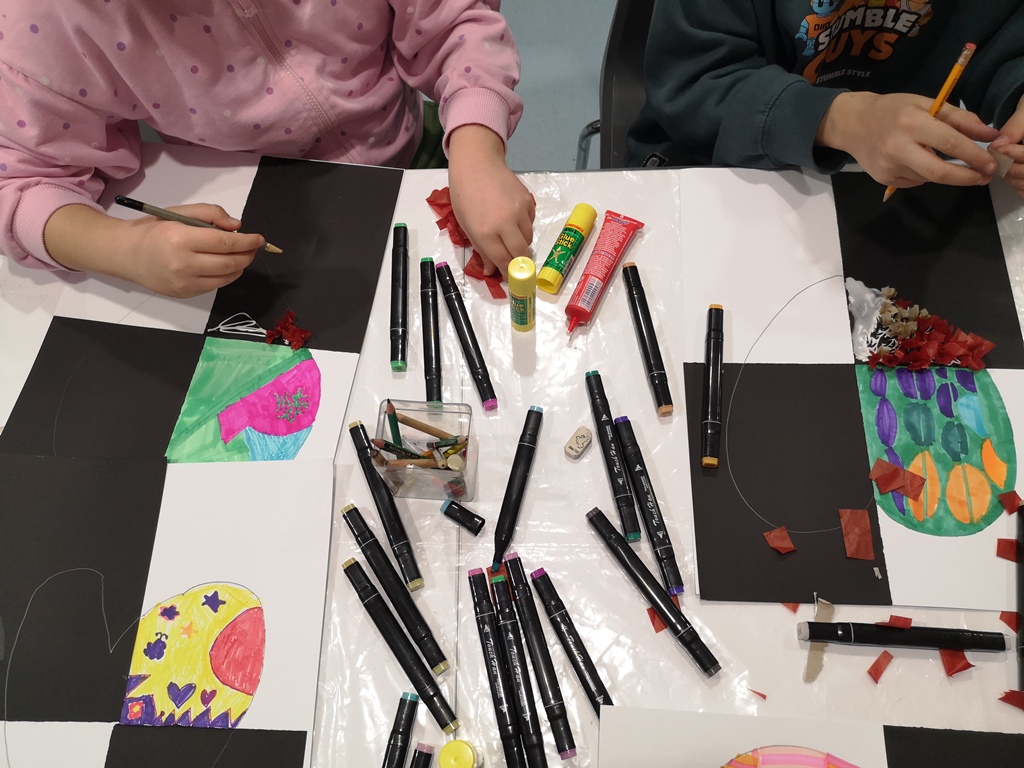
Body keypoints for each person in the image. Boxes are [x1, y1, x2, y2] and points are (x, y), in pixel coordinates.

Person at [0, 2, 535, 298]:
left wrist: (477, 149)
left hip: (415, 153)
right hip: (249, 215)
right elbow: (20, 183)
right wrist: (124, 249)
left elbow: (456, 22)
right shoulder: (42, 19)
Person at [627, 0, 1024, 198]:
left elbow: (1003, 38)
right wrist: (840, 119)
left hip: (897, 179)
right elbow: (694, 81)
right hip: (730, 167)